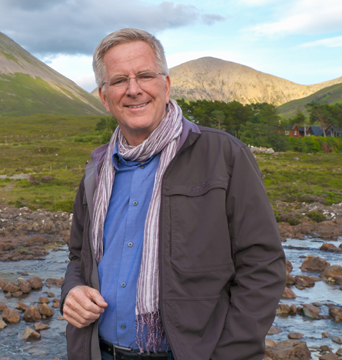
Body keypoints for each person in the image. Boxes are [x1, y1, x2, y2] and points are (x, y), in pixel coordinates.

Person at [60, 28, 286, 360]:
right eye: (119, 80)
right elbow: (79, 257)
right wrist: (72, 291)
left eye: (145, 76)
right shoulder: (97, 170)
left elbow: (263, 264)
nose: (134, 90)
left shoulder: (224, 154)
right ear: (105, 97)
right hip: (98, 351)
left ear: (165, 86)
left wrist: (232, 353)